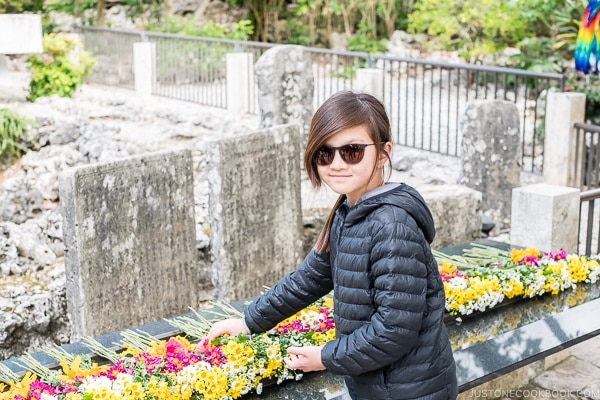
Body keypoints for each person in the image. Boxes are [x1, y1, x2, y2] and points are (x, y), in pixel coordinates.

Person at [205, 90, 458, 400]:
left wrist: (325, 357)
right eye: (325, 153)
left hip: (410, 390)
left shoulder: (391, 226)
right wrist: (247, 321)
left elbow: (394, 330)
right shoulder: (348, 211)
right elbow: (309, 278)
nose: (336, 163)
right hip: (380, 386)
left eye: (352, 151)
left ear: (382, 153)